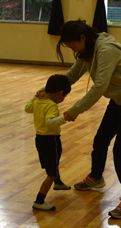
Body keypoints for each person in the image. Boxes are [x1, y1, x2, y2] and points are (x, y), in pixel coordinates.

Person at [50, 20, 121, 219]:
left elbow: (99, 87)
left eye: (73, 46)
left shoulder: (105, 51)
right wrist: (49, 90)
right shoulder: (87, 51)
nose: (73, 50)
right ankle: (96, 177)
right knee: (100, 140)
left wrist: (74, 111)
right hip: (117, 100)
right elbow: (72, 75)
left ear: (83, 38)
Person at [26, 74, 72, 211]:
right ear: (60, 93)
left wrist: (35, 96)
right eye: (64, 96)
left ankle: (58, 183)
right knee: (51, 173)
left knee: (54, 161)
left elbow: (27, 108)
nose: (63, 99)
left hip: (40, 139)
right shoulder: (51, 105)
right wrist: (65, 118)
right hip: (50, 140)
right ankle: (39, 201)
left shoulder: (38, 101)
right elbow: (49, 122)